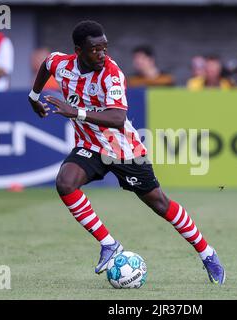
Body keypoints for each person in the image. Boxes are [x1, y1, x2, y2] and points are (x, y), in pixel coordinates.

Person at [27, 20, 225, 284]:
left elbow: (118, 118)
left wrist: (77, 112)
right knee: (65, 182)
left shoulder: (111, 74)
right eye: (95, 49)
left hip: (124, 149)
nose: (102, 54)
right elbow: (46, 65)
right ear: (78, 50)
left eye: (104, 48)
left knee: (159, 203)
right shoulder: (61, 64)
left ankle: (207, 253)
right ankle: (109, 245)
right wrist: (33, 96)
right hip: (90, 146)